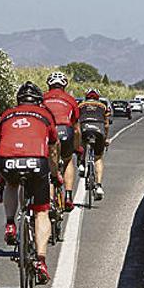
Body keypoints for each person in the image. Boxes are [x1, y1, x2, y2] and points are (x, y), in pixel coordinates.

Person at [0, 81, 61, 284]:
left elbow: (3, 141)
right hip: (36, 161)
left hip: (7, 160)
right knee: (41, 211)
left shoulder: (7, 115)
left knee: (10, 184)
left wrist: (2, 175)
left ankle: (10, 224)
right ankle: (41, 261)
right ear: (39, 101)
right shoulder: (45, 115)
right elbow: (52, 149)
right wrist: (55, 174)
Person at [42, 71, 81, 211]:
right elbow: (76, 129)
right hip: (66, 131)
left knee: (49, 165)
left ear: (49, 85)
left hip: (49, 132)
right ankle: (69, 197)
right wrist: (77, 147)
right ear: (65, 85)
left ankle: (51, 202)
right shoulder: (70, 100)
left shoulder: (42, 98)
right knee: (68, 160)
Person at [78, 88, 111, 201]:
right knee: (98, 158)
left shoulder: (81, 105)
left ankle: (82, 163)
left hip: (85, 128)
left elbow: (76, 121)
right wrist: (106, 138)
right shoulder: (103, 106)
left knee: (82, 141)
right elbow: (106, 124)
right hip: (99, 131)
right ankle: (99, 186)